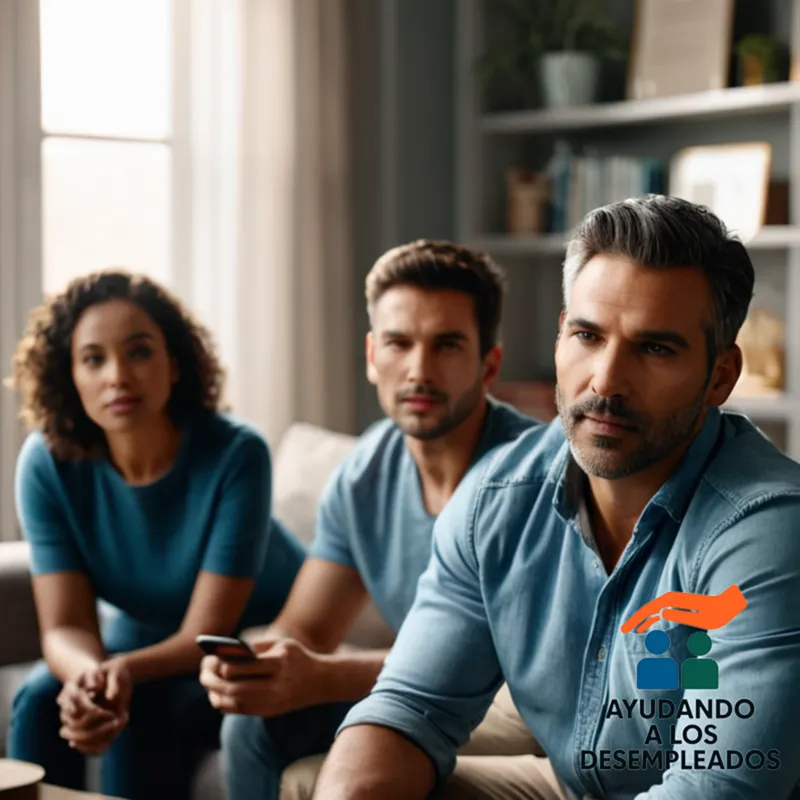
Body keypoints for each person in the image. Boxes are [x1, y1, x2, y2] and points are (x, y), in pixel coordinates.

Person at [312, 195, 800, 800]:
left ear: (721, 377)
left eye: (654, 348)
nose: (606, 381)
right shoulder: (496, 498)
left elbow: (722, 787)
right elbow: (413, 707)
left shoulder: (766, 529)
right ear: (559, 338)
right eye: (588, 336)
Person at [199, 240, 544, 800]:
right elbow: (307, 628)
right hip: (423, 692)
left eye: (447, 345)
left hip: (518, 705)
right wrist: (268, 665)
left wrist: (322, 676)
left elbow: (506, 666)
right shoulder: (364, 473)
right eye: (398, 342)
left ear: (490, 365)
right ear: (371, 355)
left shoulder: (531, 474)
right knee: (253, 720)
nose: (419, 369)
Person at [5, 271, 306, 800]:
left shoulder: (237, 455)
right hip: (143, 642)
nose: (118, 376)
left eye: (139, 352)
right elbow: (64, 626)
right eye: (93, 359)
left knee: (139, 708)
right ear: (68, 375)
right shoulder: (47, 464)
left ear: (175, 363)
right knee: (40, 698)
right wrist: (90, 677)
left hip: (240, 643)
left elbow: (206, 630)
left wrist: (120, 674)